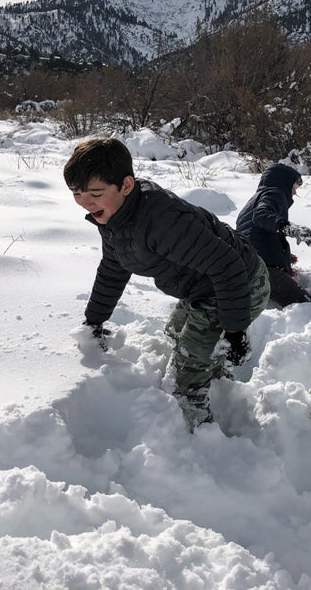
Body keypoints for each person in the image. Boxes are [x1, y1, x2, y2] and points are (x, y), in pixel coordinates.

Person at [64, 137, 271, 429]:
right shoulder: (113, 217)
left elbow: (227, 266)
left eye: (95, 193)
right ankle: (214, 374)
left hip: (241, 284)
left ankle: (198, 431)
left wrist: (235, 332)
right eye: (77, 193)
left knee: (187, 370)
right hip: (201, 285)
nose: (85, 203)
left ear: (126, 185)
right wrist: (94, 321)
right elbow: (113, 269)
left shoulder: (162, 221)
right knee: (175, 335)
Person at [236, 163, 311, 307]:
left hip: (246, 268)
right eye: (294, 187)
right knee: (310, 309)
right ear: (284, 183)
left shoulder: (253, 201)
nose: (295, 193)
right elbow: (261, 216)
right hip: (263, 270)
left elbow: (252, 235)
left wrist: (282, 256)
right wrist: (289, 228)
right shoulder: (274, 194)